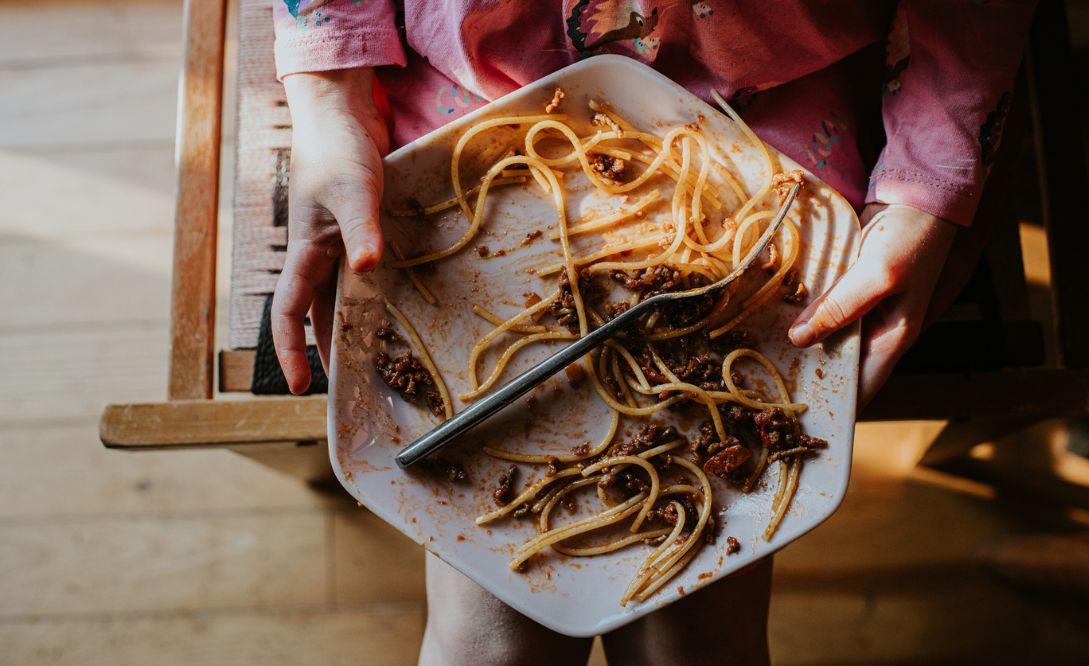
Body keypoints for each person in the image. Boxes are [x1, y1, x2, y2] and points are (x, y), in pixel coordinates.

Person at [269, 2, 1035, 663]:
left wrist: (924, 192)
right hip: (473, 98)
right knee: (490, 645)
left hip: (772, 126)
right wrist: (330, 103)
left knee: (697, 644)